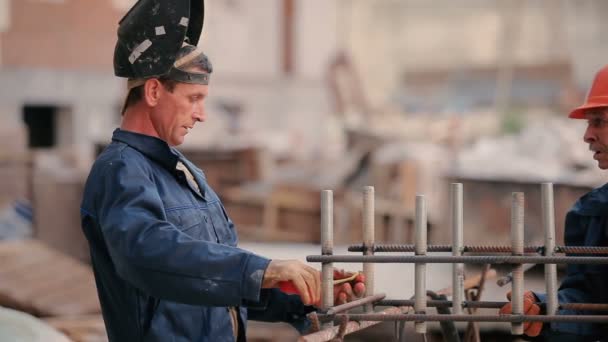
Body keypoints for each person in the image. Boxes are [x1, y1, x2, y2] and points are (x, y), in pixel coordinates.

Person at [80, 1, 364, 341]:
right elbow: (148, 253)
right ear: (154, 91)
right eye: (193, 98)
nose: (202, 115)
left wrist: (302, 296)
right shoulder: (120, 170)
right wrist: (261, 269)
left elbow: (218, 285)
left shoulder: (187, 175)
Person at [499, 65, 608, 341]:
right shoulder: (591, 213)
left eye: (599, 121)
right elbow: (588, 303)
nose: (587, 136)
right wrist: (546, 310)